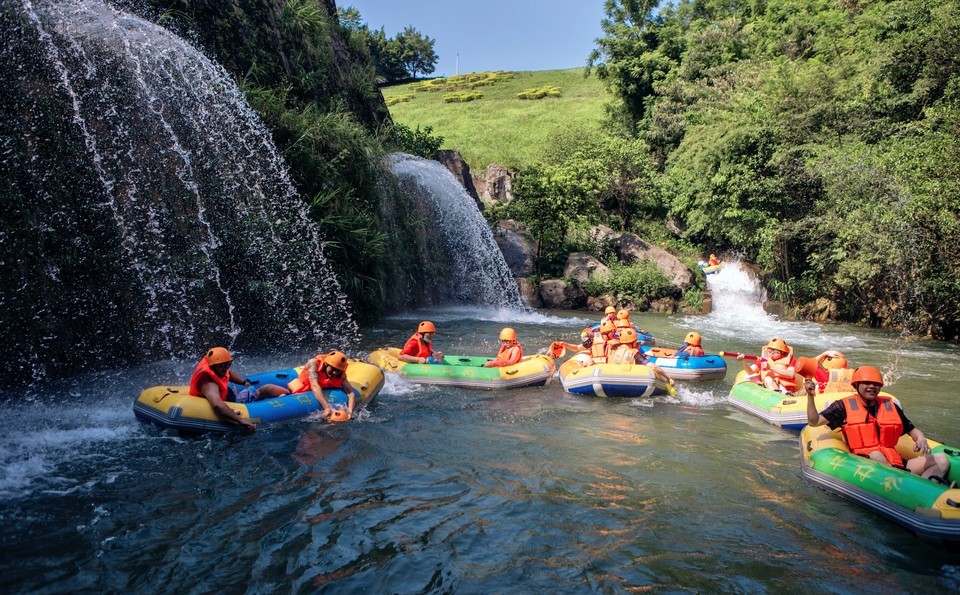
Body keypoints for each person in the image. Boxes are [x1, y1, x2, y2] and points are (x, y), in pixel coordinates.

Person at [805, 366, 951, 483]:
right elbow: (814, 421)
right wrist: (810, 397)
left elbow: (913, 430)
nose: (871, 387)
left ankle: (921, 488)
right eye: (867, 383)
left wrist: (920, 439)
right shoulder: (843, 406)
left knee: (941, 460)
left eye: (875, 384)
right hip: (864, 465)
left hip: (895, 463)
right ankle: (913, 484)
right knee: (876, 455)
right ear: (856, 385)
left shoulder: (890, 405)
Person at [188, 347, 285, 432]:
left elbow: (229, 374)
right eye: (223, 365)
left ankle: (289, 394)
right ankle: (287, 394)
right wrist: (240, 420)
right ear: (213, 365)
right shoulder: (209, 384)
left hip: (227, 395)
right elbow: (217, 405)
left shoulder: (216, 366)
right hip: (231, 401)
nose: (225, 367)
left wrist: (243, 382)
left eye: (228, 364)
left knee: (260, 389)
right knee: (267, 388)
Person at [287, 350, 356, 420]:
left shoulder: (341, 374)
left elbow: (351, 393)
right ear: (326, 364)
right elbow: (314, 385)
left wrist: (350, 411)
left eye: (338, 371)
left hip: (321, 389)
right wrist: (326, 407)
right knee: (284, 393)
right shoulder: (313, 364)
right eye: (333, 369)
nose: (335, 373)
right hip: (300, 390)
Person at [609, 328, 675, 386]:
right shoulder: (634, 353)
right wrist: (668, 378)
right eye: (635, 341)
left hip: (611, 378)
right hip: (628, 380)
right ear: (633, 342)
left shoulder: (614, 349)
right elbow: (653, 367)